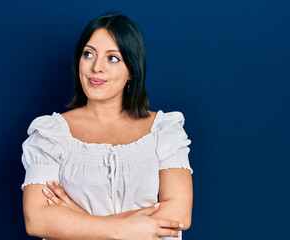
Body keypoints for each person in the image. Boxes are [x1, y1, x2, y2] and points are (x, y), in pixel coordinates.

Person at [21, 13, 193, 240]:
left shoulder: (164, 130)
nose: (96, 67)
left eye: (113, 58)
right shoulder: (51, 134)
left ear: (132, 69)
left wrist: (78, 217)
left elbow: (178, 215)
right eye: (88, 54)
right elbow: (37, 220)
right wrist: (125, 229)